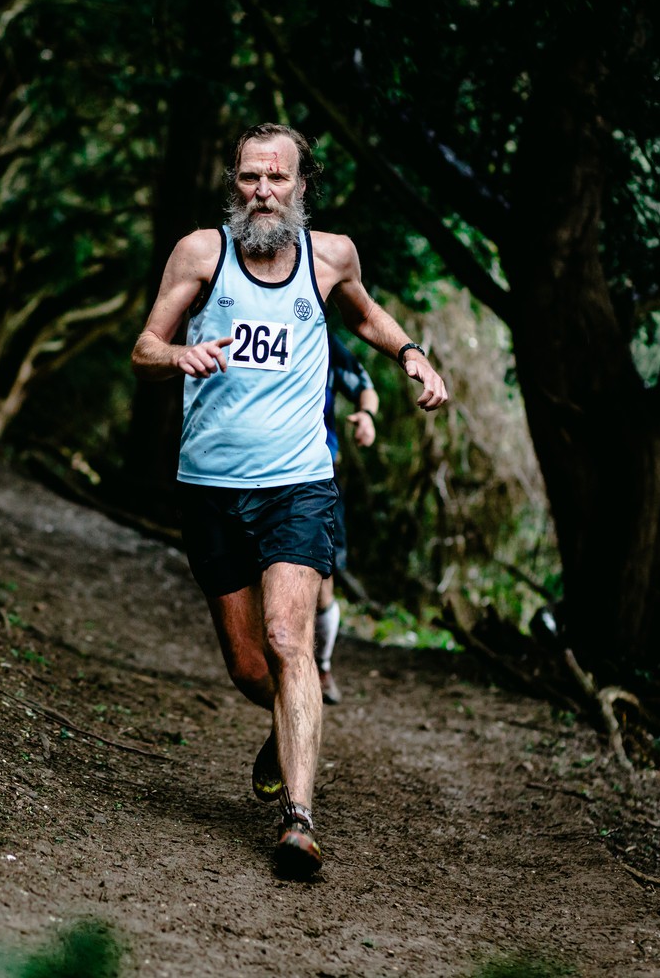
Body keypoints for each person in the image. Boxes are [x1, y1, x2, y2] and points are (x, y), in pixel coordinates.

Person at [130, 122, 447, 878]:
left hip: (298, 484)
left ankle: (298, 820)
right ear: (233, 184)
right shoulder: (200, 254)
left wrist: (409, 355)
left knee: (286, 639)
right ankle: (283, 724)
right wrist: (178, 354)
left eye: (277, 178)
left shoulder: (330, 256)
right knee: (249, 668)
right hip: (210, 488)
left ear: (302, 186)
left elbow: (365, 313)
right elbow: (143, 348)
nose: (262, 192)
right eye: (248, 178)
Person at [316, 333, 379, 706]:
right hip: (250, 471)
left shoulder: (325, 341)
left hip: (319, 474)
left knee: (323, 580)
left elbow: (365, 386)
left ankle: (321, 668)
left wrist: (366, 416)